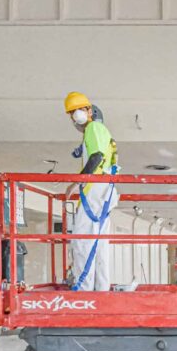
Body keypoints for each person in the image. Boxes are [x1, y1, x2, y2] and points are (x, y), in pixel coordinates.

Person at [62, 91, 118, 291]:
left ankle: (83, 290)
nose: (75, 116)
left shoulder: (94, 127)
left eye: (77, 111)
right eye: (72, 113)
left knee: (83, 241)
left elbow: (96, 157)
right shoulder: (100, 130)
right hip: (104, 189)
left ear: (89, 110)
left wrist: (76, 183)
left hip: (95, 189)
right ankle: (100, 290)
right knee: (98, 243)